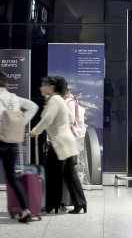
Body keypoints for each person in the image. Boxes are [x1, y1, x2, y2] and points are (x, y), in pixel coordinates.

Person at [0, 71, 38, 222]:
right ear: (5, 83)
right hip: (11, 142)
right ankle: (25, 211)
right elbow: (33, 106)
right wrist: (22, 121)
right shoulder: (14, 98)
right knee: (12, 178)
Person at [29, 76, 87, 214]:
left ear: (51, 87)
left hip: (59, 143)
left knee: (52, 174)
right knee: (69, 175)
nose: (40, 87)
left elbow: (47, 118)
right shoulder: (58, 100)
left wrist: (35, 131)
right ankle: (80, 203)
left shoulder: (54, 100)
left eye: (43, 85)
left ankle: (51, 205)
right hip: (66, 142)